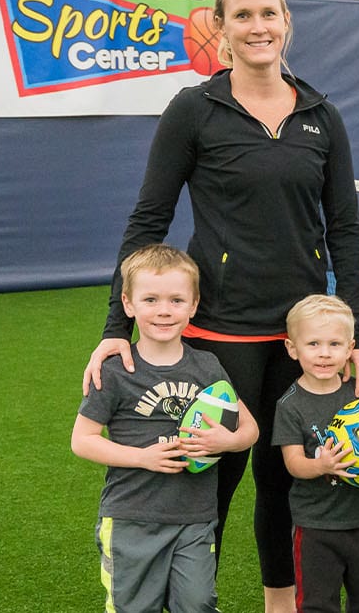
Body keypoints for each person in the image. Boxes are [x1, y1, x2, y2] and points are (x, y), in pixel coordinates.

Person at [79, 0, 359, 610]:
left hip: (297, 342)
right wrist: (115, 327)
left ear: (287, 21)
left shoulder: (322, 116)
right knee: (208, 477)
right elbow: (148, 220)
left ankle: (279, 604)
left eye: (268, 13)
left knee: (283, 479)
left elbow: (346, 229)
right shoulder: (194, 110)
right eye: (242, 15)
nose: (257, 27)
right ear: (220, 26)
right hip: (220, 336)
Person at [72, 244, 261, 613]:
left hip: (195, 518)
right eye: (151, 300)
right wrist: (143, 458)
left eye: (176, 300)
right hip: (132, 518)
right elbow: (83, 440)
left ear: (193, 305)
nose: (164, 310)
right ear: (128, 304)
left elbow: (250, 428)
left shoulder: (207, 366)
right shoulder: (115, 371)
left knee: (197, 603)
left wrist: (227, 440)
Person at [273, 295, 359, 613]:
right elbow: (293, 463)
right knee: (317, 604)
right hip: (315, 527)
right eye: (313, 344)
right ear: (292, 349)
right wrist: (321, 464)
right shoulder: (290, 405)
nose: (324, 353)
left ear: (350, 348)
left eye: (334, 344)